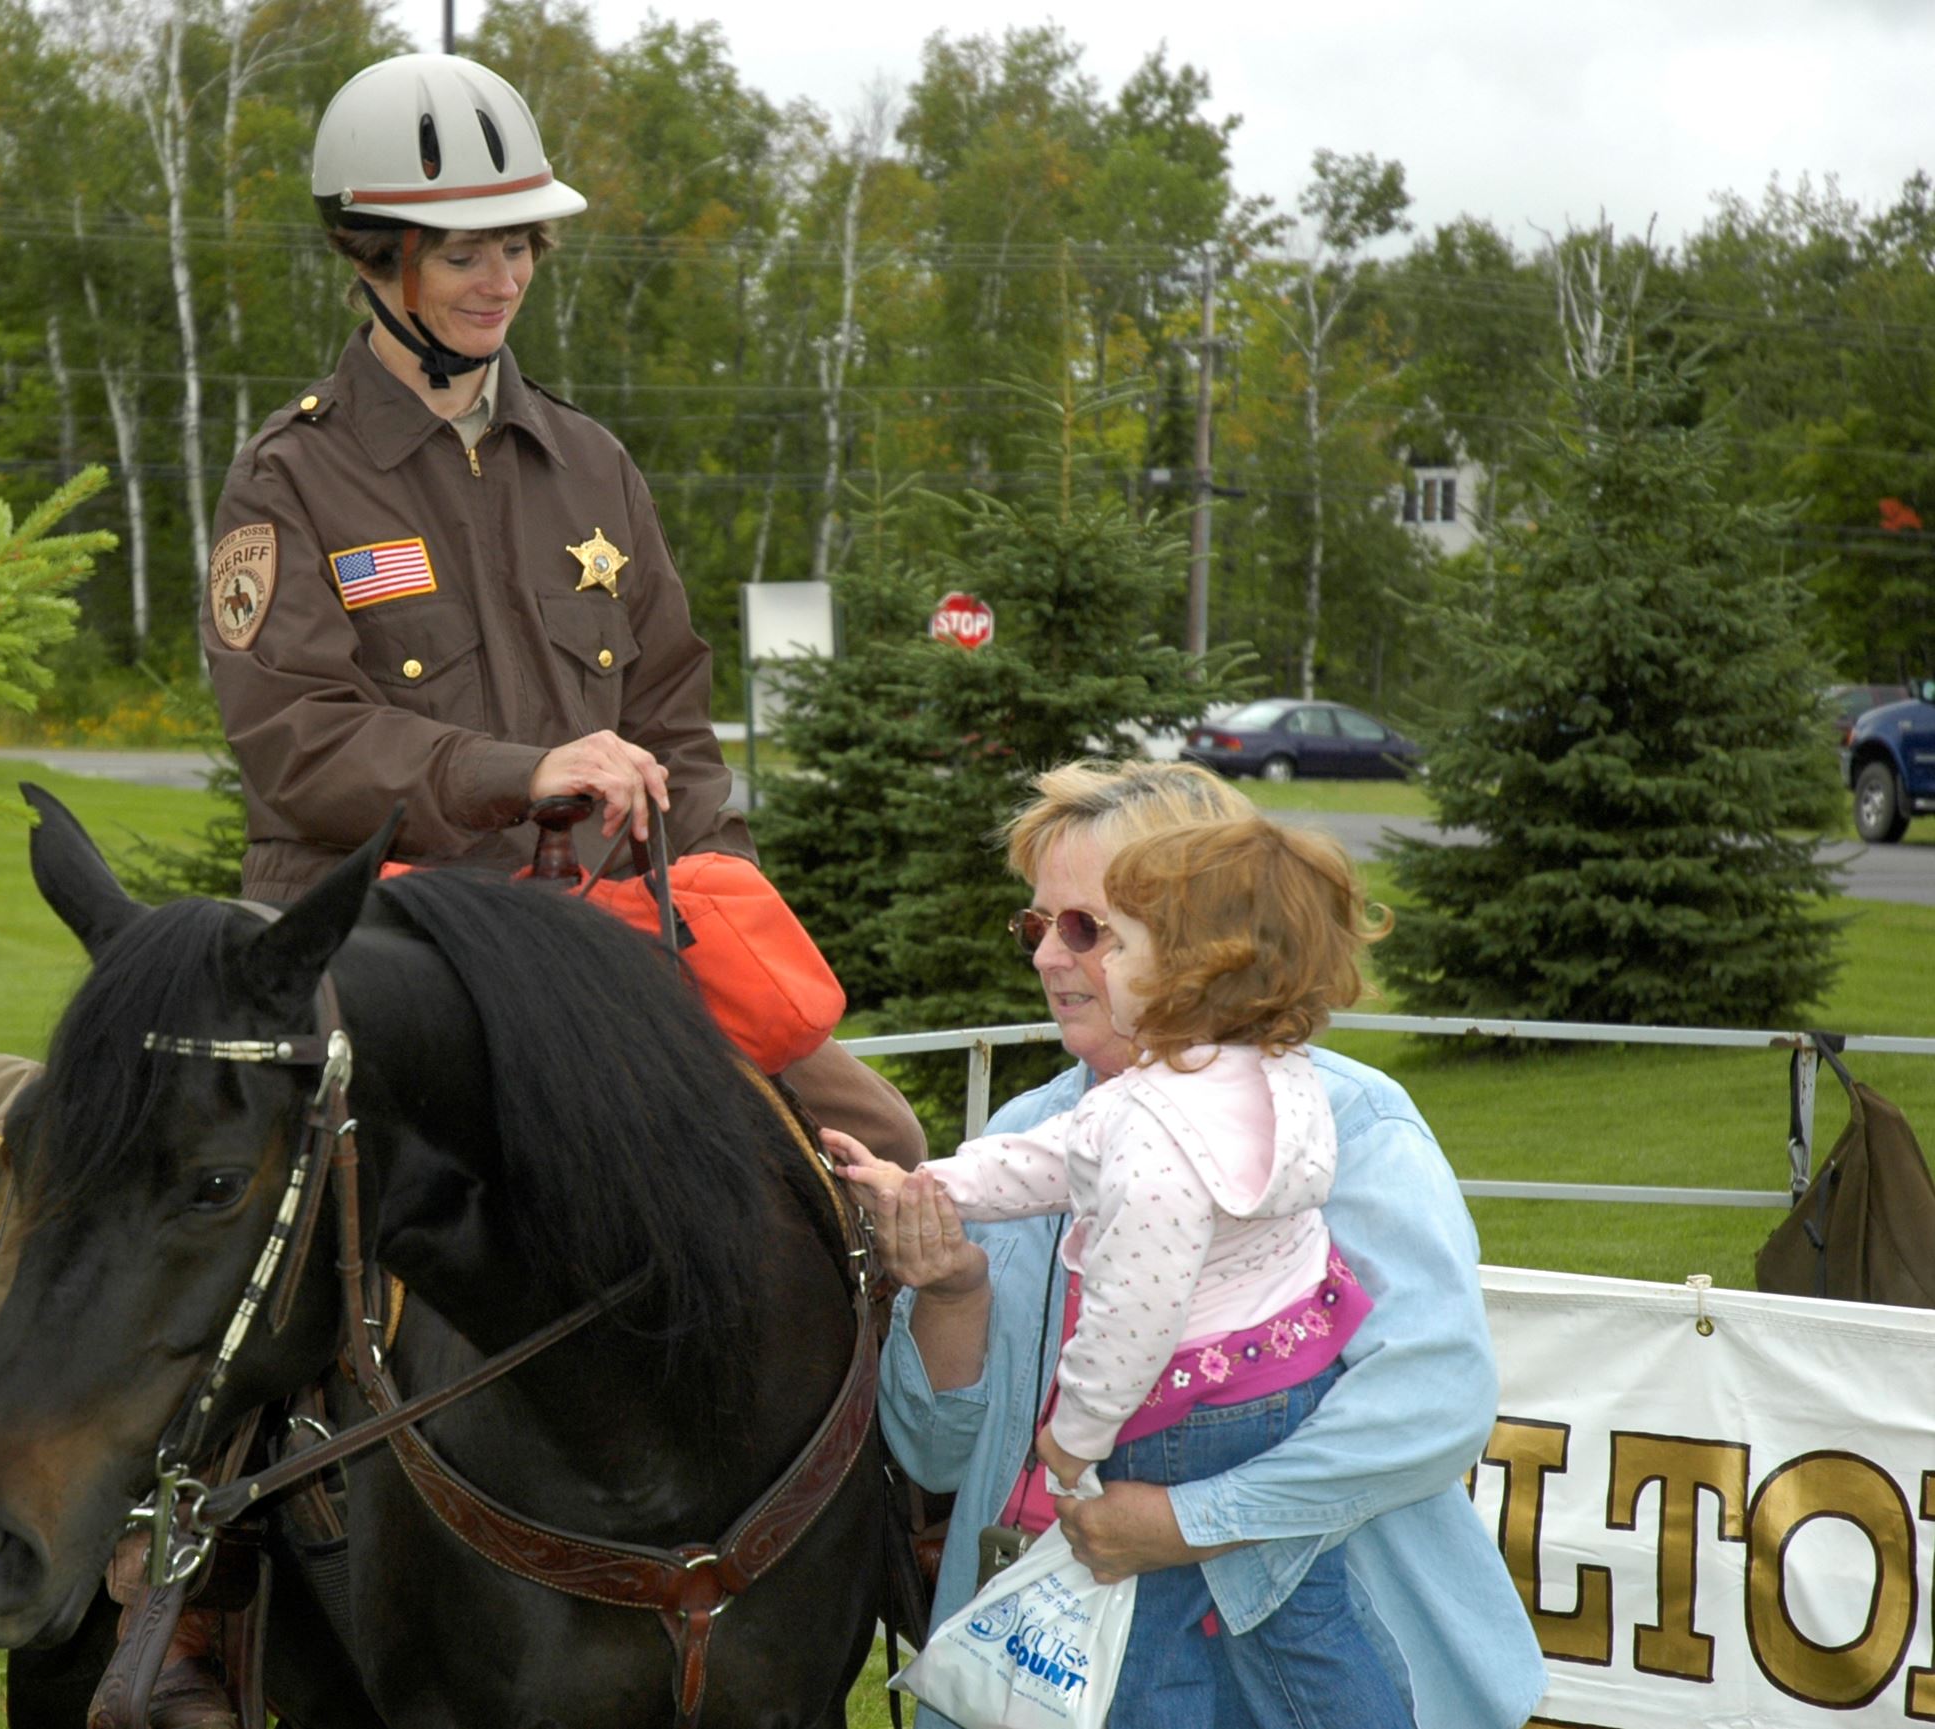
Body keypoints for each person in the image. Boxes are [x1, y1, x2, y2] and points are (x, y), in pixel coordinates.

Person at [198, 50, 920, 1166]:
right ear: (375, 256)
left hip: (604, 934)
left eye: (520, 243)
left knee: (878, 1141)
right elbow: (294, 737)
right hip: (392, 939)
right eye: (462, 252)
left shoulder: (590, 462)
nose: (502, 277)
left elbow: (671, 716)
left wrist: (712, 898)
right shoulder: (289, 475)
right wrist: (515, 771)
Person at [869, 759, 1547, 1729]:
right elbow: (930, 1455)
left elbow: (1432, 1403)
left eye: (1085, 928)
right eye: (1034, 924)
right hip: (1034, 1671)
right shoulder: (1024, 1135)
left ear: (1197, 938)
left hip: (1261, 1678)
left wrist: (1184, 1524)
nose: (1046, 958)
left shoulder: (1344, 1119)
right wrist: (951, 1292)